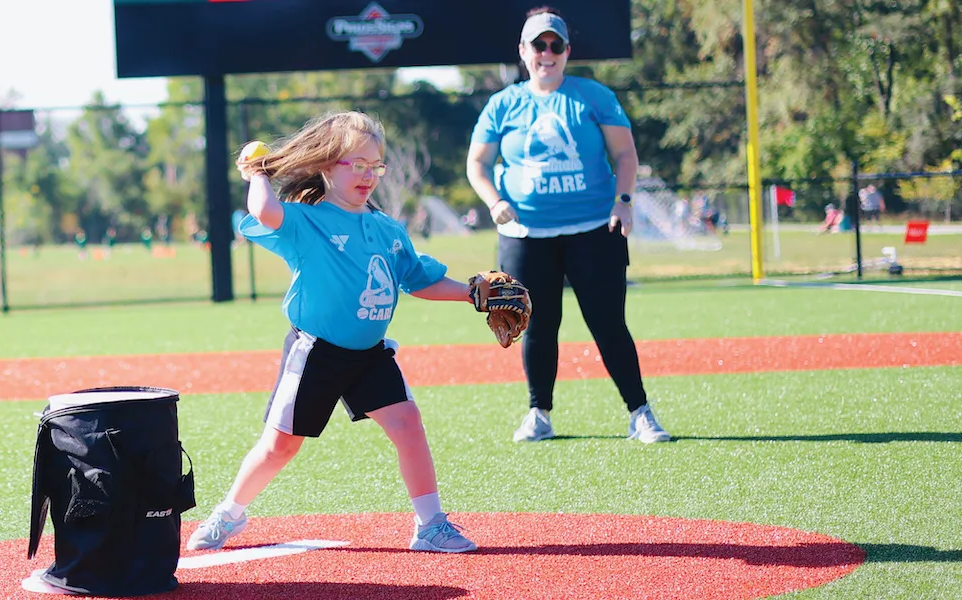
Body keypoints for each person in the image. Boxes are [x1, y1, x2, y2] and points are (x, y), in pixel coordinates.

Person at [187, 111, 484, 555]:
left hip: (369, 354)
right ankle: (228, 514)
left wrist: (472, 294)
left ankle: (431, 524)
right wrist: (256, 173)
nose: (368, 175)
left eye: (375, 166)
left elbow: (418, 279)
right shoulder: (308, 222)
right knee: (280, 448)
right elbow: (264, 211)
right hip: (316, 353)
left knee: (408, 423)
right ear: (327, 167)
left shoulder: (386, 228)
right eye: (356, 165)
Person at [465, 7, 671, 444]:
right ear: (523, 52)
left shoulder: (593, 96)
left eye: (555, 45)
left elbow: (626, 155)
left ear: (567, 51)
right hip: (525, 235)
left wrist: (625, 201)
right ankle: (538, 412)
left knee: (608, 323)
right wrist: (495, 201)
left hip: (594, 228)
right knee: (536, 324)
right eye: (538, 45)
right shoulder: (503, 104)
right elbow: (477, 163)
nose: (547, 53)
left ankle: (641, 413)